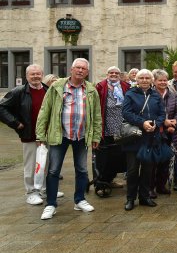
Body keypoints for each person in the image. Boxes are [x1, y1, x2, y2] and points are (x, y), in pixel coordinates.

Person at [36, 58, 101, 220]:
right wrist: (40, 134)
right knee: (53, 170)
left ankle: (79, 200)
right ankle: (50, 204)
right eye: (77, 68)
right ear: (71, 70)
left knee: (82, 170)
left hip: (81, 135)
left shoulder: (91, 90)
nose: (80, 71)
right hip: (60, 134)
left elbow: (97, 116)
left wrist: (96, 135)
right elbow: (45, 111)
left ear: (87, 72)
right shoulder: (57, 86)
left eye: (83, 69)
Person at [0, 64, 54, 205]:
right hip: (29, 134)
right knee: (31, 165)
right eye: (32, 74)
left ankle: (43, 189)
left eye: (38, 74)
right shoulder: (19, 91)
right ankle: (31, 192)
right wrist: (16, 123)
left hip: (47, 134)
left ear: (42, 74)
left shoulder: (48, 90)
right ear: (27, 76)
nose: (35, 76)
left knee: (46, 163)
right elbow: (2, 107)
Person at [122, 69, 165, 211]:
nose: (145, 80)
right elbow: (126, 113)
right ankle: (130, 198)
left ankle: (145, 197)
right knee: (133, 170)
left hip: (151, 138)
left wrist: (155, 124)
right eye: (142, 78)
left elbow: (162, 114)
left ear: (152, 80)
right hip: (135, 137)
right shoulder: (130, 94)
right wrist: (143, 123)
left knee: (148, 169)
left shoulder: (156, 95)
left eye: (148, 78)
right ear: (137, 80)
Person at [95, 66, 130, 188]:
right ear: (107, 74)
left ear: (120, 75)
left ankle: (112, 178)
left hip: (122, 125)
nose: (114, 74)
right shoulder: (100, 86)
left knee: (118, 154)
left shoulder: (125, 86)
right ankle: (103, 180)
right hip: (106, 125)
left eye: (116, 73)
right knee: (105, 155)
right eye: (111, 72)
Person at [153, 69, 177, 195]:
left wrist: (174, 124)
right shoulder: (151, 94)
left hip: (170, 132)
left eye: (165, 80)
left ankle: (161, 186)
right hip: (155, 132)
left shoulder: (172, 94)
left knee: (166, 160)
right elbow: (151, 113)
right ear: (154, 81)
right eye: (160, 80)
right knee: (153, 161)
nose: (163, 82)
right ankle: (150, 188)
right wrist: (165, 123)